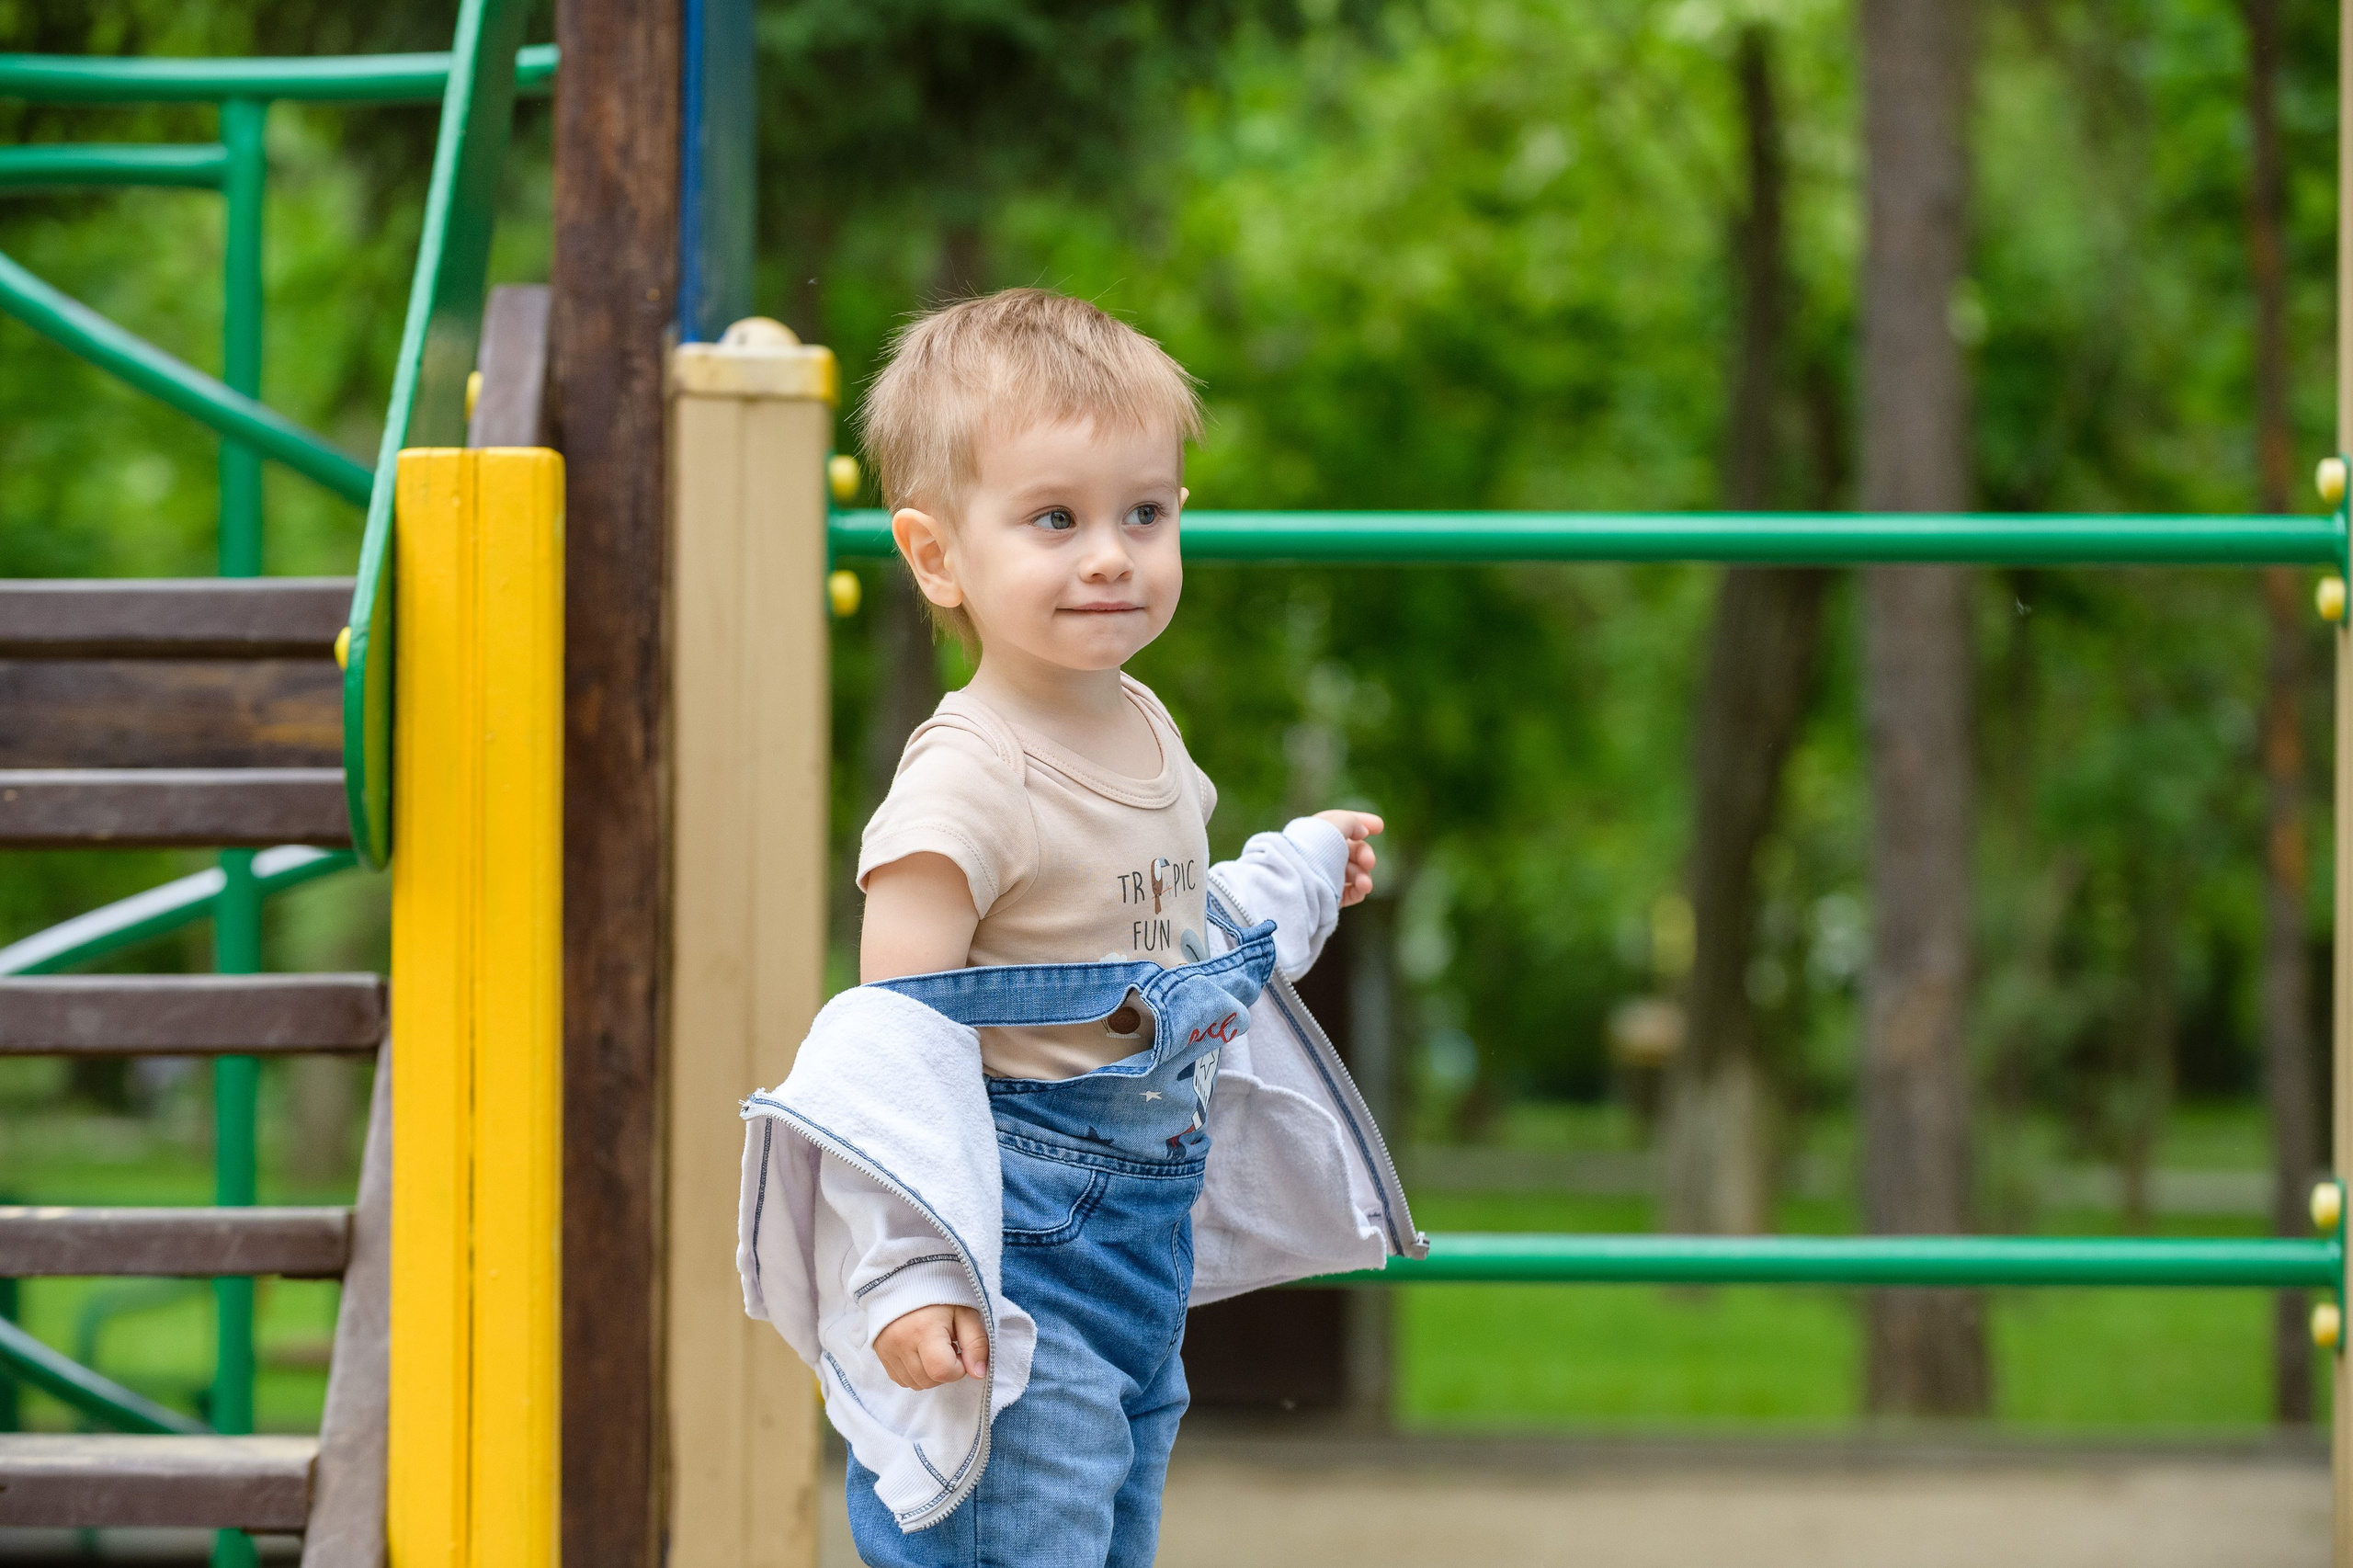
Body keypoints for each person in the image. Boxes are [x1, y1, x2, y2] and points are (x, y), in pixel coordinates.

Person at [734, 289, 1422, 1568]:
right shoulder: (965, 782)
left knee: (1107, 1539)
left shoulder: (1147, 729)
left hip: (1136, 1242)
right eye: (1055, 518)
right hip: (1011, 1249)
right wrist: (906, 1278)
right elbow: (887, 1063)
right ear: (938, 556)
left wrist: (1302, 870)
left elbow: (1177, 940)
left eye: (1143, 513)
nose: (1110, 553)